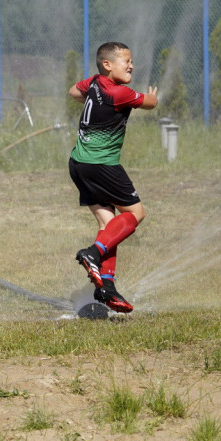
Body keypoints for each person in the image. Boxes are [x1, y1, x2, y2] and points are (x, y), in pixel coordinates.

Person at [68, 41, 158, 314]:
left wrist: (92, 99)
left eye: (132, 61)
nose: (131, 66)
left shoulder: (94, 83)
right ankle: (93, 254)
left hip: (78, 164)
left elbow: (73, 91)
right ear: (107, 64)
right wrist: (153, 96)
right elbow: (150, 103)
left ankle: (106, 287)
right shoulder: (121, 93)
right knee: (136, 213)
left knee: (109, 224)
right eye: (126, 61)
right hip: (102, 165)